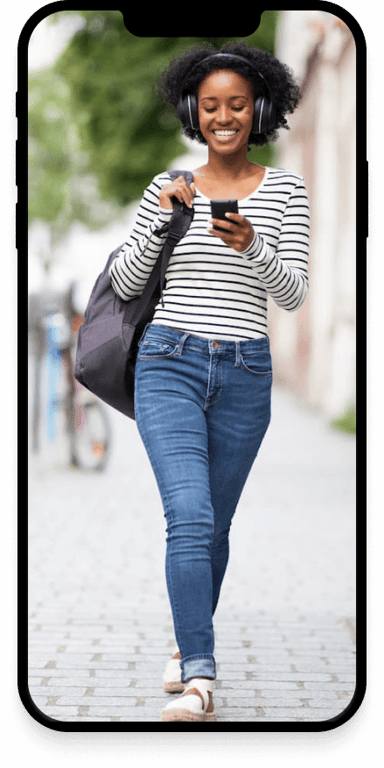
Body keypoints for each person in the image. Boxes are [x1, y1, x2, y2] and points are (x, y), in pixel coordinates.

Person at [109, 40, 309, 722]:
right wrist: (167, 220)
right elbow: (129, 282)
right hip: (169, 363)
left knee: (214, 526)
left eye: (239, 104)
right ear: (195, 111)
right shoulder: (168, 185)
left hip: (247, 371)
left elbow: (293, 294)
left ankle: (182, 639)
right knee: (188, 516)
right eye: (212, 106)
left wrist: (252, 243)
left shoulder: (285, 190)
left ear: (260, 110)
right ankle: (200, 677)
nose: (225, 117)